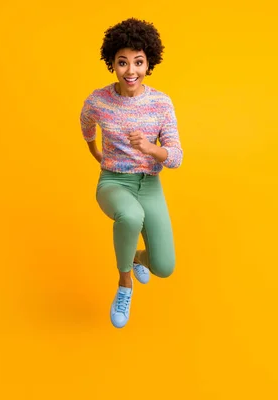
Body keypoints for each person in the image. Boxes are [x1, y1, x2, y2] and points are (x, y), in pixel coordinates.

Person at [79, 18, 183, 328]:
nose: (131, 70)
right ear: (112, 63)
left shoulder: (161, 104)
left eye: (138, 62)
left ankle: (137, 258)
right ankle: (125, 284)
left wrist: (151, 149)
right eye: (122, 62)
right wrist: (94, 151)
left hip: (149, 184)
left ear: (149, 62)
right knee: (131, 216)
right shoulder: (98, 101)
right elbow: (85, 125)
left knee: (164, 267)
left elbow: (176, 157)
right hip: (114, 182)